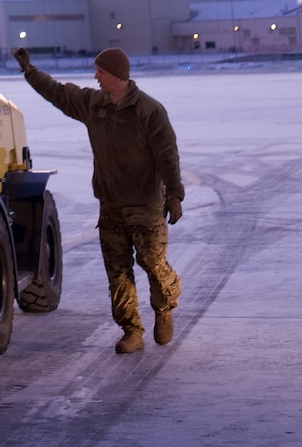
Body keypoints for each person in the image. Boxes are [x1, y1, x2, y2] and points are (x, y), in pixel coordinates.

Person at [13, 44, 183, 355]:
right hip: (110, 205)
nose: (96, 77)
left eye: (101, 72)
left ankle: (165, 306)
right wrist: (30, 71)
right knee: (117, 272)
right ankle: (132, 330)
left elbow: (167, 155)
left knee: (153, 264)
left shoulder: (149, 111)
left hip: (145, 205)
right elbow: (59, 93)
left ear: (117, 76)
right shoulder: (94, 105)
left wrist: (174, 194)